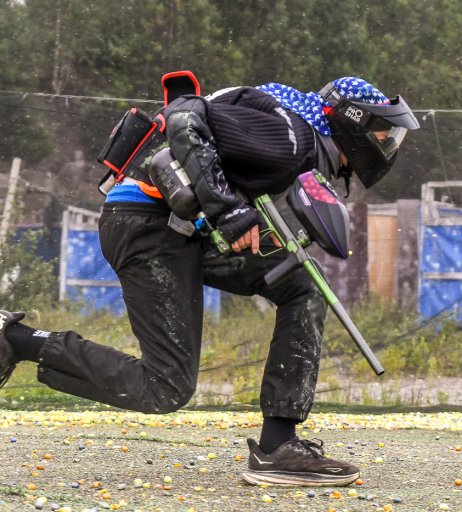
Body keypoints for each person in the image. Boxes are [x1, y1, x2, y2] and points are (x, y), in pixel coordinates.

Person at [0, 76, 419, 487]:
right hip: (149, 226)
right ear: (353, 122)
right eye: (384, 135)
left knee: (302, 285)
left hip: (181, 228)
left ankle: (278, 446)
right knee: (164, 387)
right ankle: (16, 339)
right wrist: (229, 211)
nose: (387, 147)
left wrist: (229, 210)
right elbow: (184, 120)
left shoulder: (294, 129)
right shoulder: (293, 136)